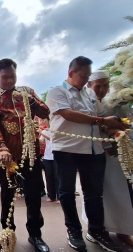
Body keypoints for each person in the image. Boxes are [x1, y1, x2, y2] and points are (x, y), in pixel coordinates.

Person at [46, 56, 123, 252]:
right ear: (71, 73)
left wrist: (116, 130)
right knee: (67, 192)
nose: (86, 79)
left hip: (93, 150)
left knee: (94, 194)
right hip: (67, 149)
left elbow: (103, 117)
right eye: (83, 76)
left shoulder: (89, 94)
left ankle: (96, 231)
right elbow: (68, 114)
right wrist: (100, 121)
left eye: (88, 75)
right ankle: (73, 231)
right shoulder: (58, 92)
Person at [0, 58, 50, 252]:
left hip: (31, 153)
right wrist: (2, 148)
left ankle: (35, 235)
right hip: (9, 157)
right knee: (7, 196)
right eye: (4, 77)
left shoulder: (27, 92)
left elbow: (45, 111)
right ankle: (7, 232)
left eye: (12, 76)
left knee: (33, 195)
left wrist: (34, 103)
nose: (9, 80)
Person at [84, 70, 133, 247]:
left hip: (118, 156)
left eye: (106, 85)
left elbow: (126, 123)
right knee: (96, 194)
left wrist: (119, 135)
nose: (103, 90)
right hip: (95, 154)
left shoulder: (117, 103)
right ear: (89, 86)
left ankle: (123, 229)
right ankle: (97, 229)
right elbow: (88, 128)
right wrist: (108, 139)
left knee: (122, 194)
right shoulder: (85, 104)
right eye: (98, 86)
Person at [38, 118, 59, 203]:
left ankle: (60, 196)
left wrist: (41, 132)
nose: (42, 121)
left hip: (56, 156)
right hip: (47, 157)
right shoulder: (44, 131)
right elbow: (42, 142)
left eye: (43, 119)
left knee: (57, 176)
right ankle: (51, 195)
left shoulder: (56, 129)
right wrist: (36, 135)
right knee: (49, 176)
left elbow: (52, 139)